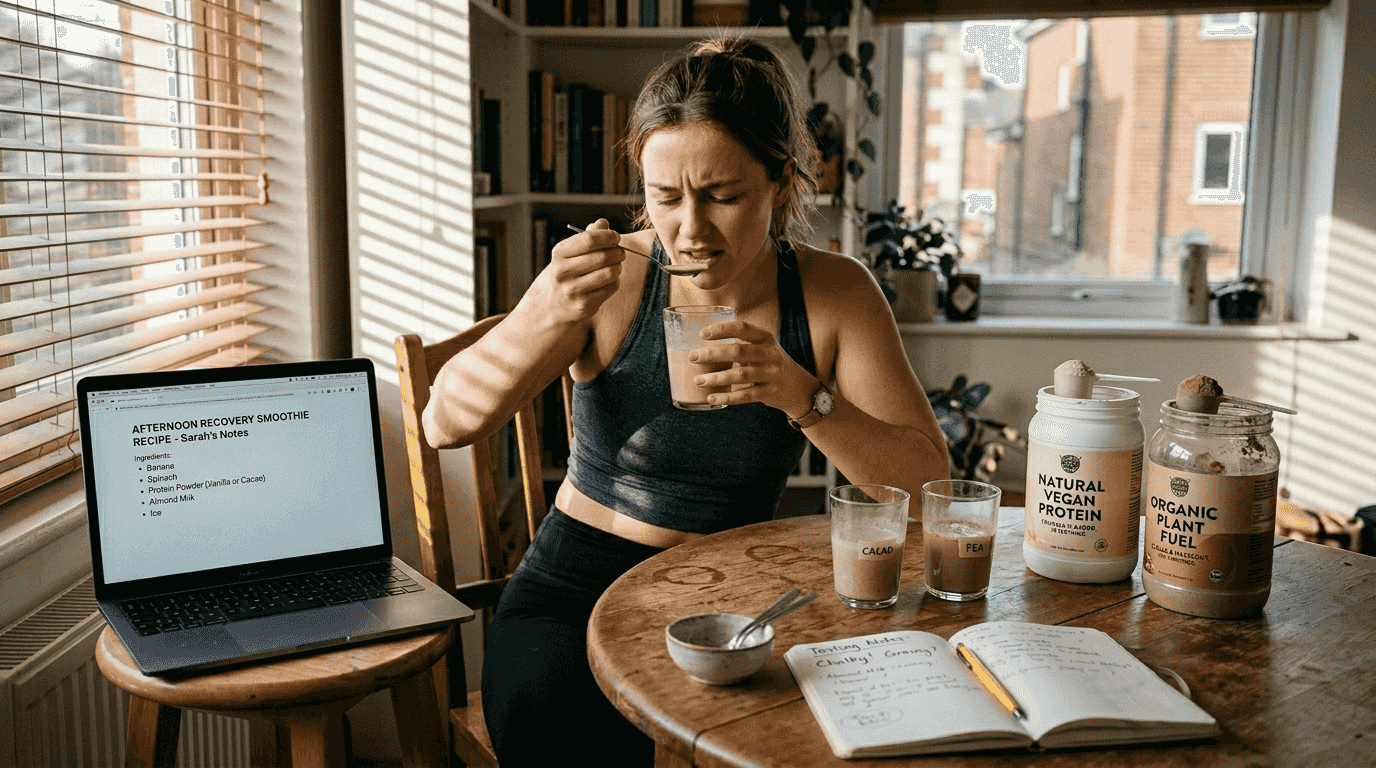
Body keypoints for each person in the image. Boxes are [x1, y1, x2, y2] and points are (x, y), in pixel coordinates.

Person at [422, 35, 950, 767]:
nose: (689, 230)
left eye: (722, 196)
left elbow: (932, 490)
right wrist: (543, 312)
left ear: (782, 182)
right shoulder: (615, 279)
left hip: (728, 607)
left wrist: (803, 395)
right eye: (664, 197)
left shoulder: (835, 296)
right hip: (572, 595)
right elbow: (443, 421)